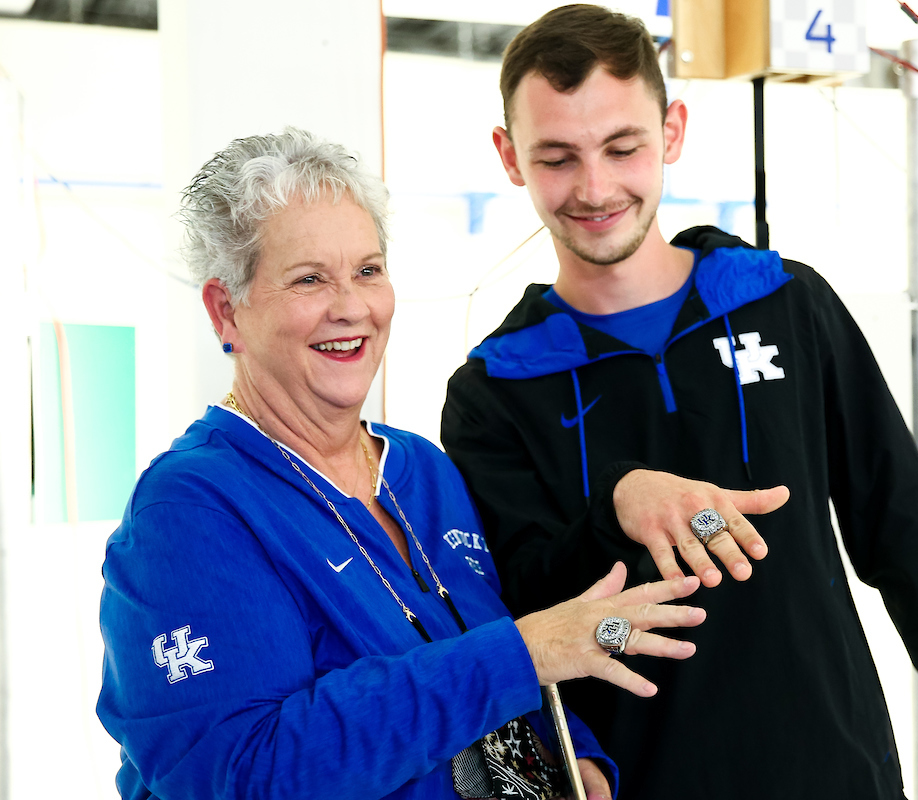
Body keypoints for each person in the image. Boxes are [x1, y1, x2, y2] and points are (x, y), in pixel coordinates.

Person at [440, 6, 918, 800]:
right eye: (557, 157)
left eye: (623, 148)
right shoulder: (497, 391)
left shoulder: (786, 305)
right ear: (509, 157)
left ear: (673, 131)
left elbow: (903, 528)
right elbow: (521, 615)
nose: (595, 187)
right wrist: (617, 506)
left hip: (837, 771)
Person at [95, 128, 710, 800]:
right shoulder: (189, 512)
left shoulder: (422, 470)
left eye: (367, 270)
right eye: (309, 279)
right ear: (227, 310)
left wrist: (573, 758)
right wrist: (523, 653)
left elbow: (484, 655)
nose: (352, 307)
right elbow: (242, 773)